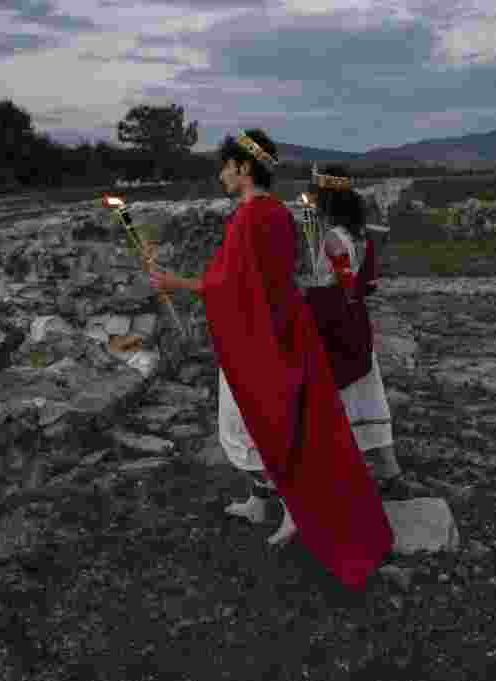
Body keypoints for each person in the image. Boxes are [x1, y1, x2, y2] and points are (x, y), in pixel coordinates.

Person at [147, 129, 393, 590]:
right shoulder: (274, 212)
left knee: (255, 425)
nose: (221, 174)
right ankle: (262, 501)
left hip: (260, 341)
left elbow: (232, 286)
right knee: (258, 423)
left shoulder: (251, 218)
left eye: (225, 166)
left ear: (242, 168)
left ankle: (296, 510)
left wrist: (175, 283)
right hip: (281, 333)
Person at [301, 164, 406, 498]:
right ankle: (390, 472)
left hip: (337, 327)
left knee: (341, 397)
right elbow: (363, 285)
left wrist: (306, 293)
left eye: (316, 197)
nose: (313, 202)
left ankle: (340, 478)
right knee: (369, 395)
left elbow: (340, 288)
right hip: (356, 323)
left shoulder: (334, 238)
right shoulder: (360, 235)